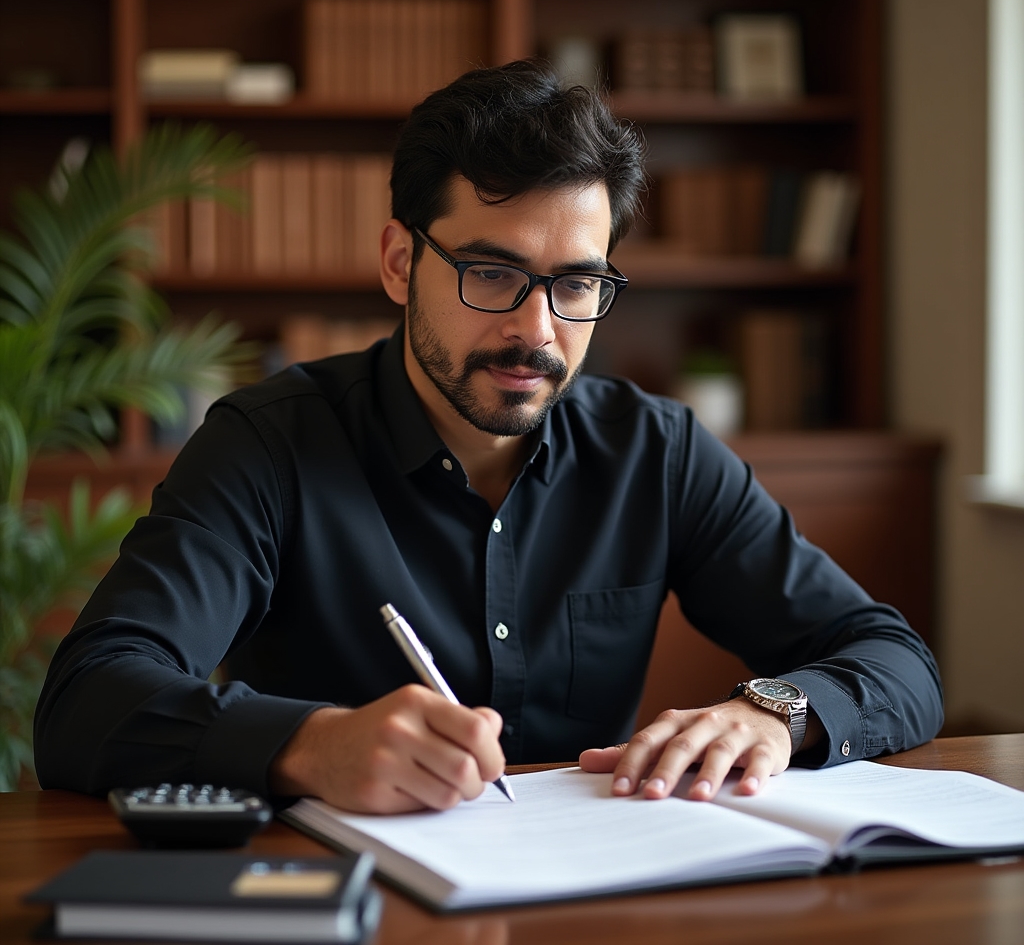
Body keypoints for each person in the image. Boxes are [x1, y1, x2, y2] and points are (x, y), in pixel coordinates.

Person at [34, 61, 943, 814]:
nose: (536, 331)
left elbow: (895, 660)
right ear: (401, 263)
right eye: (491, 273)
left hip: (593, 894)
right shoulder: (268, 446)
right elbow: (87, 698)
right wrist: (308, 745)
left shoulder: (656, 451)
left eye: (576, 285)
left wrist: (776, 712)